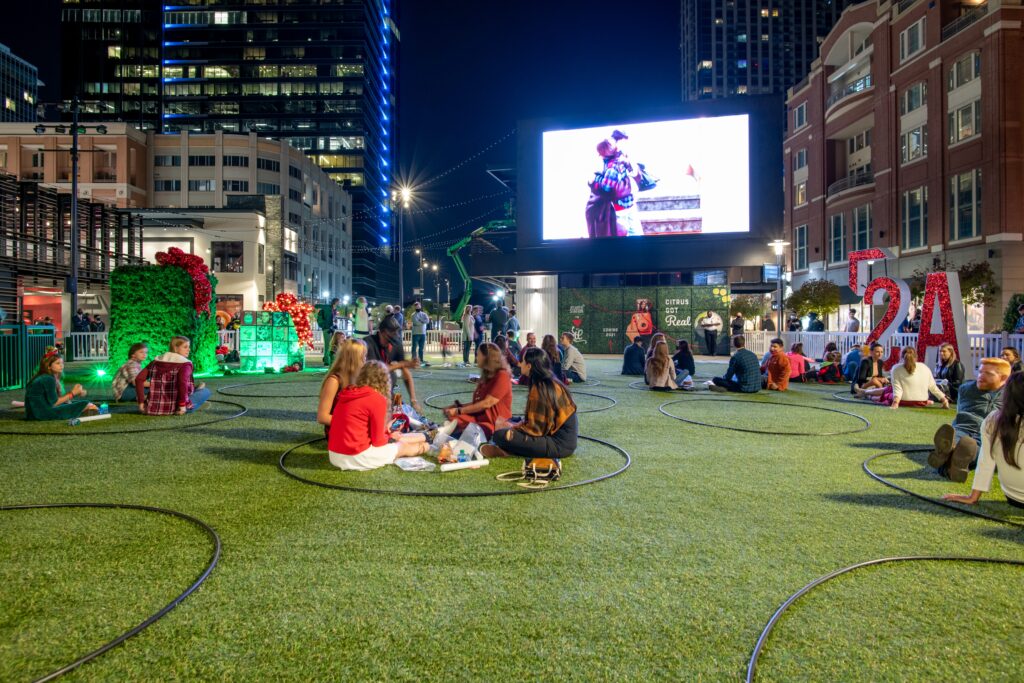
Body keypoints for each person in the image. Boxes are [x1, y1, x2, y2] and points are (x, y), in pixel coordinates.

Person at [326, 361, 430, 471]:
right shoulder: (376, 398)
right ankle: (430, 444)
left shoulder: (347, 393)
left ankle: (429, 437)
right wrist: (389, 437)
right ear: (384, 380)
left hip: (334, 455)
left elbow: (360, 426)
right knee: (404, 445)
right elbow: (378, 441)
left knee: (398, 437)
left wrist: (386, 431)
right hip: (356, 457)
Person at [943, 372, 1024, 508]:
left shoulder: (993, 418)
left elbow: (986, 460)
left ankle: (952, 450)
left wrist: (972, 497)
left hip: (1012, 496)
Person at [482, 347, 579, 459]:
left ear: (529, 366)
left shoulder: (540, 388)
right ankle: (511, 449)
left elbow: (535, 430)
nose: (520, 364)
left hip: (558, 445)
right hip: (563, 440)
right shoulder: (549, 382)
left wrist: (510, 427)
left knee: (500, 435)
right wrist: (513, 424)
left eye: (522, 361)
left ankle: (507, 451)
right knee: (512, 421)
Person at [929, 358, 1011, 481]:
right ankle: (951, 452)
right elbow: (959, 411)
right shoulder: (966, 388)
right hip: (963, 427)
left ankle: (948, 461)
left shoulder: (1013, 393)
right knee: (956, 440)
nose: (980, 376)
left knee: (977, 448)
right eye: (980, 371)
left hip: (990, 433)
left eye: (988, 374)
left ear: (1003, 378)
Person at [440, 342, 513, 438]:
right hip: (480, 418)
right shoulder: (486, 376)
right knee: (454, 417)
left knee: (464, 424)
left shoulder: (502, 375)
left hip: (494, 423)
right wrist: (457, 407)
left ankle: (448, 431)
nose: (476, 357)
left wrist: (459, 410)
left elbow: (487, 403)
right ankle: (448, 430)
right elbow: (477, 403)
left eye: (478, 354)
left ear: (487, 357)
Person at [134, 336, 211, 415]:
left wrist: (141, 403)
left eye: (189, 347)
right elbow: (182, 383)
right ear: (176, 348)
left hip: (151, 409)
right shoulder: (185, 364)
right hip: (176, 409)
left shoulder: (155, 362)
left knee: (194, 389)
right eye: (185, 347)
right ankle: (195, 390)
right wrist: (182, 406)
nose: (189, 350)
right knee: (206, 391)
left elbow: (139, 379)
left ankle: (195, 389)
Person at [856, 347, 948, 409]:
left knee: (884, 395)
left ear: (901, 356)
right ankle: (864, 392)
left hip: (903, 400)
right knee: (889, 389)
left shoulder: (896, 368)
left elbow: (897, 388)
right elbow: (933, 387)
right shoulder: (925, 367)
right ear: (916, 356)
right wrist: (944, 400)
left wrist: (895, 403)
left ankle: (866, 394)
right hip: (921, 401)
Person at [363, 315, 421, 412]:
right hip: (370, 393)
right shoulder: (368, 343)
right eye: (392, 333)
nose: (394, 336)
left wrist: (413, 400)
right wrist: (402, 364)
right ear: (382, 332)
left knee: (408, 416)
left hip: (388, 393)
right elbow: (374, 371)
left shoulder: (396, 344)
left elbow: (405, 371)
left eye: (396, 333)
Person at [24, 350, 96, 420]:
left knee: (75, 403)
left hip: (34, 414)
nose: (61, 365)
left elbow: (53, 399)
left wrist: (77, 392)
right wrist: (73, 393)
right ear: (48, 366)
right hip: (41, 414)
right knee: (85, 403)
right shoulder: (48, 379)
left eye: (62, 363)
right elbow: (54, 402)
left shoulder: (45, 376)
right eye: (57, 363)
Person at [317, 338, 367, 435]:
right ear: (354, 359)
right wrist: (352, 423)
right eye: (363, 356)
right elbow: (322, 417)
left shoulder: (359, 377)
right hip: (339, 432)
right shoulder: (334, 381)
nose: (365, 360)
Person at [316, 297, 341, 366]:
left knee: (331, 344)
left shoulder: (334, 310)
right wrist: (324, 325)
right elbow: (317, 306)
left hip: (332, 329)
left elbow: (332, 319)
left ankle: (329, 359)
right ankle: (327, 360)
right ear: (335, 302)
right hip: (327, 328)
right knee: (327, 344)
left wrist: (335, 323)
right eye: (339, 302)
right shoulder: (327, 308)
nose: (340, 303)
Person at [410, 301, 430, 366]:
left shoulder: (424, 314)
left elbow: (427, 321)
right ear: (414, 307)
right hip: (415, 333)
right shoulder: (413, 315)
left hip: (423, 333)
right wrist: (423, 322)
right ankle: (414, 360)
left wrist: (420, 321)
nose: (417, 307)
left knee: (421, 348)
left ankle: (421, 359)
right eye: (416, 306)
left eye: (418, 306)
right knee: (414, 347)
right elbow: (416, 322)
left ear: (420, 306)